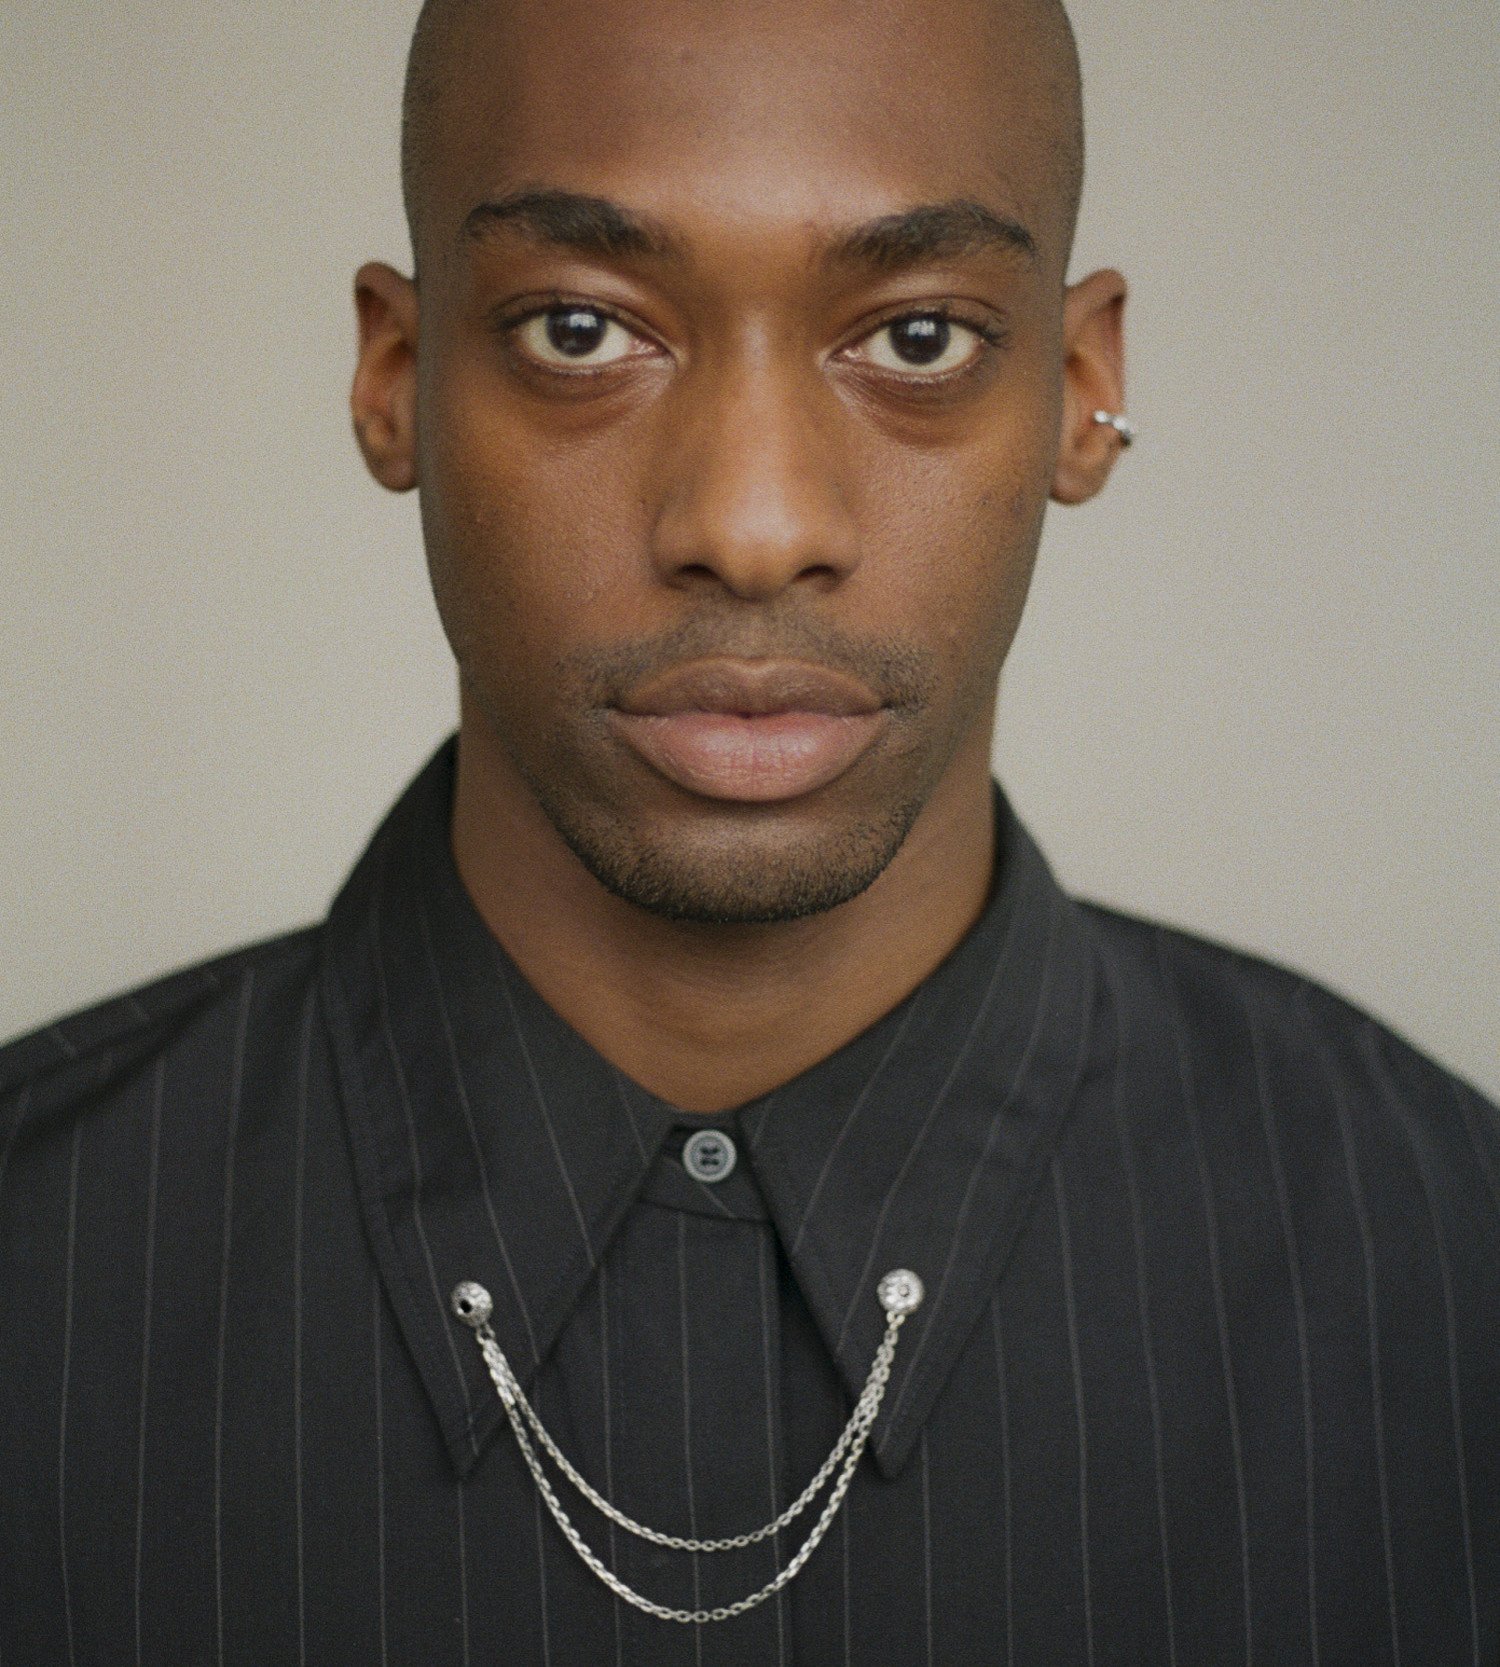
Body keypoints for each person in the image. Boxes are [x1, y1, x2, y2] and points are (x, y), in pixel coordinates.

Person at [2, 0, 1495, 1660]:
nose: (754, 524)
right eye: (582, 328)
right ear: (397, 382)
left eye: (916, 338)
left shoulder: (1448, 1277)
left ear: (1081, 395)